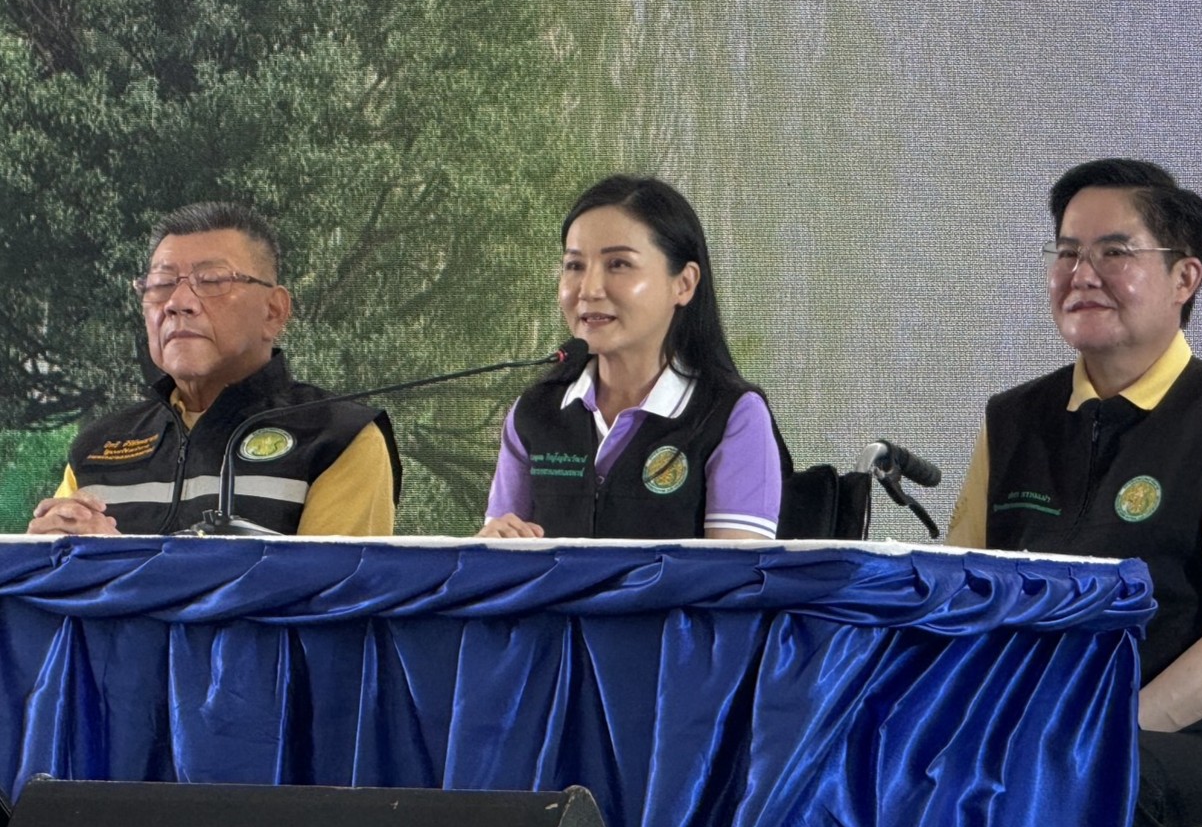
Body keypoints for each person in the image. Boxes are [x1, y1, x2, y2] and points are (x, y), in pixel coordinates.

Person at [947, 159, 1202, 827]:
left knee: (1090, 775)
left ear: (1184, 278)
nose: (1082, 274)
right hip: (1031, 723)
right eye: (1067, 253)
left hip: (1192, 744)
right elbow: (961, 591)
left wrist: (1104, 729)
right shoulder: (1013, 420)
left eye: (1114, 253)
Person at [27, 201, 401, 536]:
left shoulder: (337, 437)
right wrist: (45, 558)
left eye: (211, 281)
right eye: (161, 284)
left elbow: (325, 589)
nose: (177, 303)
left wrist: (113, 562)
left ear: (274, 311)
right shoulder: (98, 448)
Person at [478, 175, 781, 539]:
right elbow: (499, 553)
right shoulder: (535, 413)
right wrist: (488, 549)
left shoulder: (731, 415)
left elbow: (733, 572)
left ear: (683, 283)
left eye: (618, 264)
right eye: (574, 266)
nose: (588, 289)